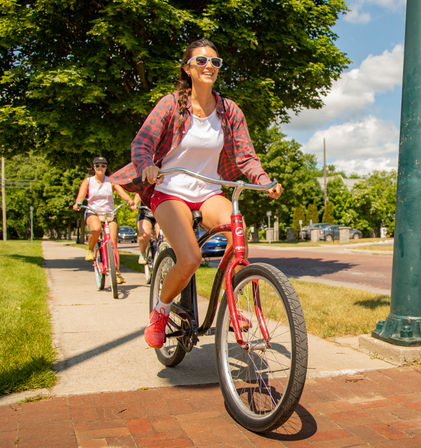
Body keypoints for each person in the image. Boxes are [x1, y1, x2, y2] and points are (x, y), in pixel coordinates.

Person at [111, 39, 282, 349]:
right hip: (169, 191)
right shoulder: (171, 104)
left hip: (208, 190)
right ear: (187, 67)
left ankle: (232, 305)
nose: (209, 67)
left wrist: (264, 179)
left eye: (215, 63)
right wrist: (147, 165)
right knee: (190, 258)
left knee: (237, 237)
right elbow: (142, 143)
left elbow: (246, 156)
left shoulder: (229, 111)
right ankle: (160, 312)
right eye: (201, 61)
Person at [74, 156, 135, 284]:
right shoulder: (88, 181)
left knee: (113, 243)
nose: (100, 168)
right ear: (93, 167)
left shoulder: (111, 181)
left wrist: (129, 200)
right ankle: (90, 250)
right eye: (97, 165)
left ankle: (116, 272)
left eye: (103, 165)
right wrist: (78, 203)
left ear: (106, 168)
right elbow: (81, 195)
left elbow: (121, 192)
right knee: (95, 229)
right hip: (93, 212)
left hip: (109, 213)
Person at [133, 194, 160, 265]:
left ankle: (160, 256)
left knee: (160, 234)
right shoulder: (145, 183)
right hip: (145, 212)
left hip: (159, 211)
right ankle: (142, 253)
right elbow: (138, 194)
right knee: (145, 235)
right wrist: (135, 203)